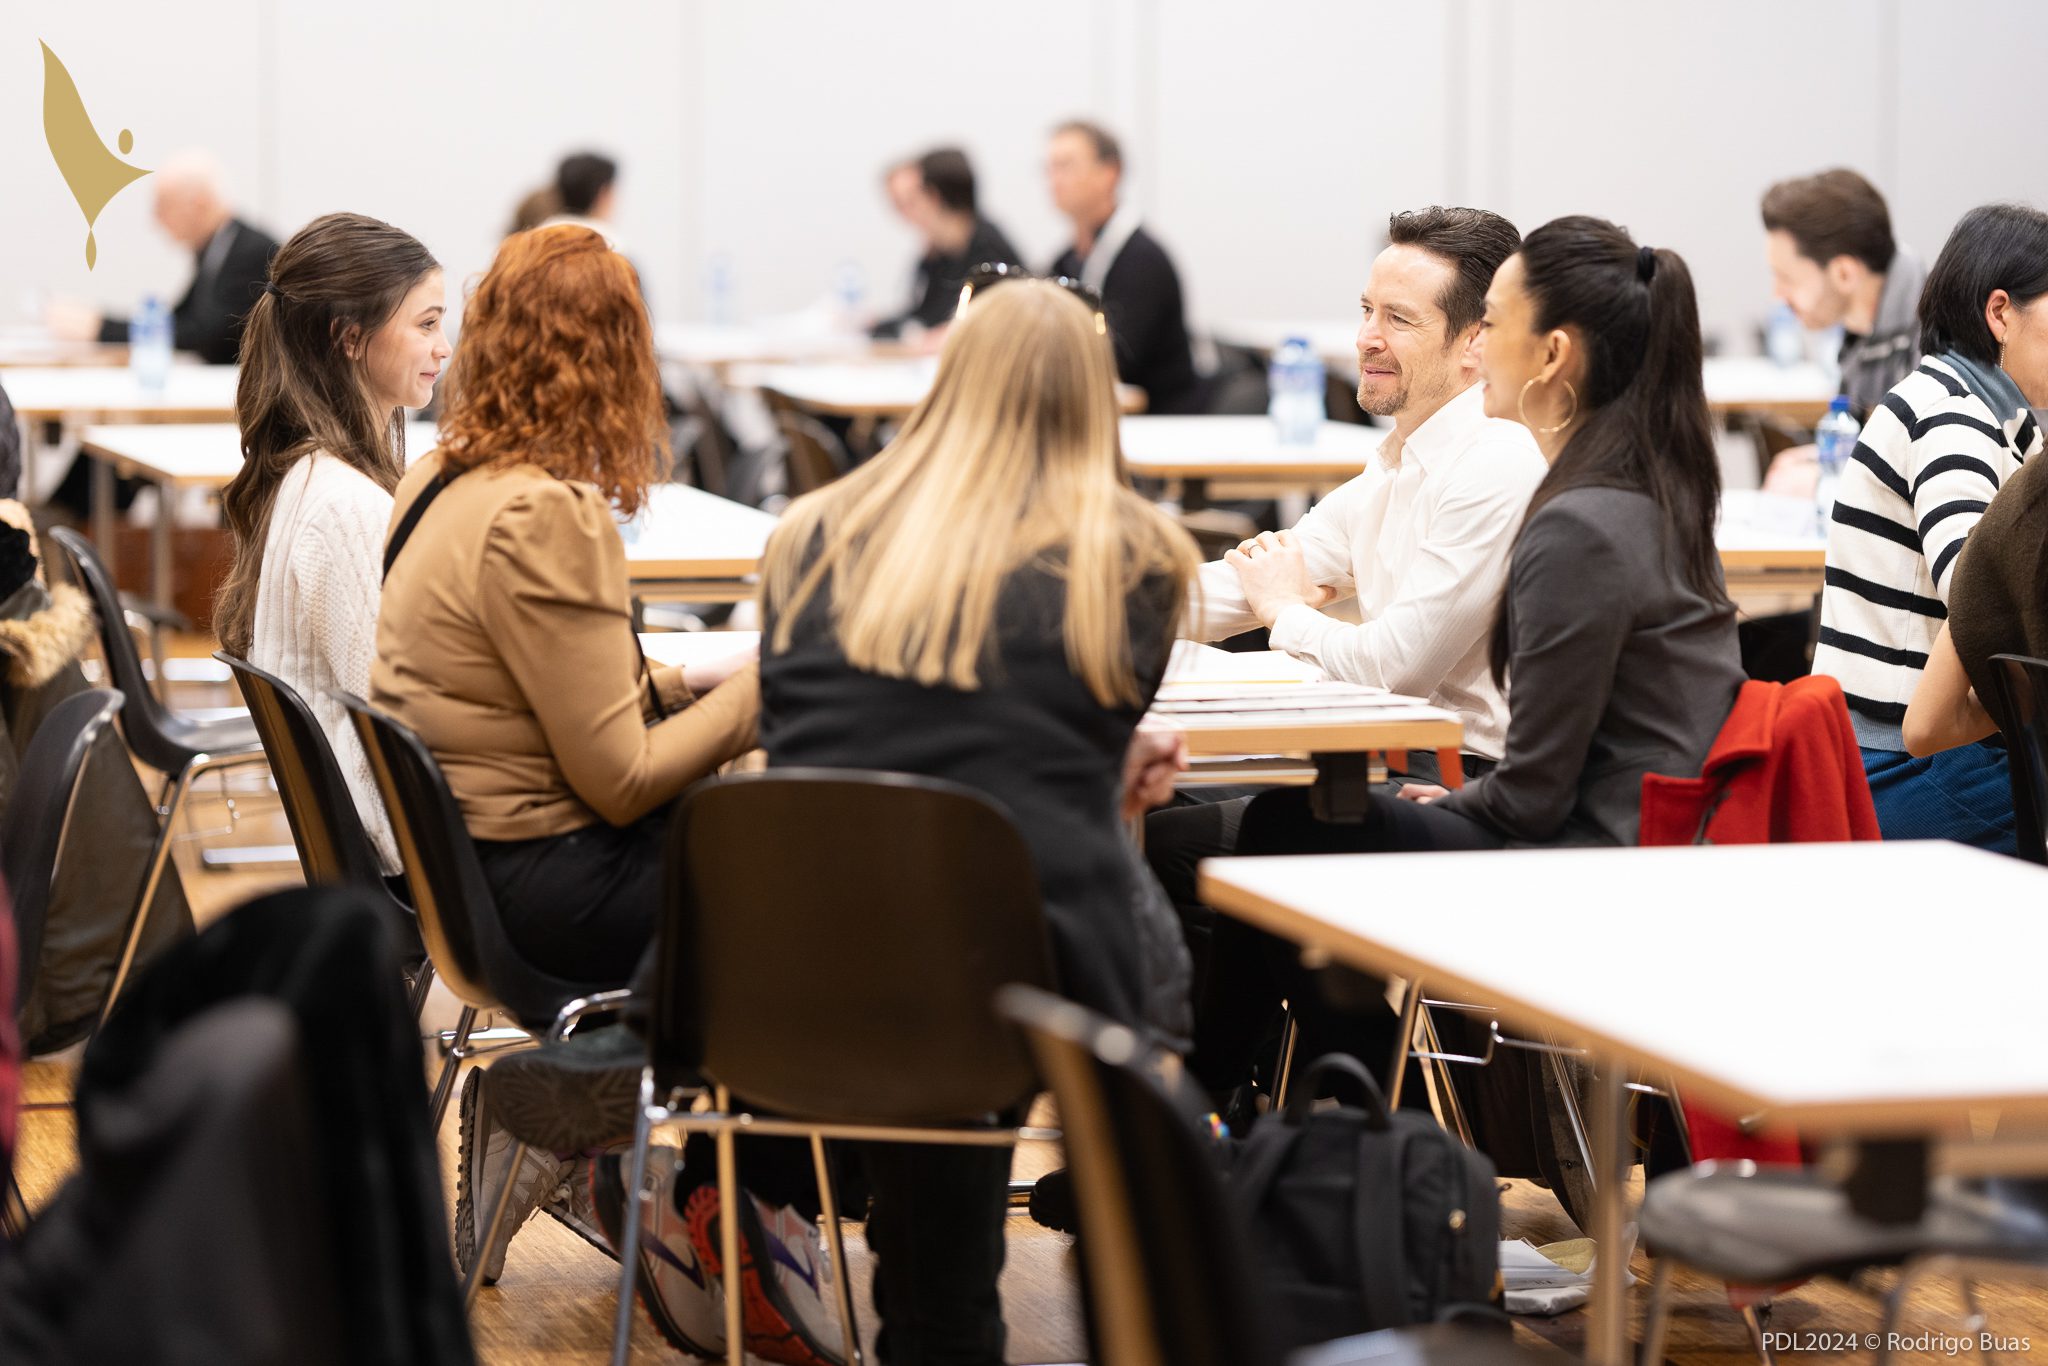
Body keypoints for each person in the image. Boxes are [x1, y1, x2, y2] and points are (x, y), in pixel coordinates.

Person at [1191, 216, 1745, 1097]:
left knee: (1278, 832)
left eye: (1495, 321)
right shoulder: (1620, 487)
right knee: (1279, 827)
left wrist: (1466, 795)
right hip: (1614, 827)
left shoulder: (1574, 519)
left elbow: (1533, 787)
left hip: (1595, 860)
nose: (1483, 343)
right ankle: (1291, 1130)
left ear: (1549, 352)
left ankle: (1312, 1130)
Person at [754, 275, 1199, 1364]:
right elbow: (1059, 735)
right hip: (1020, 959)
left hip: (797, 952)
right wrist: (1097, 773)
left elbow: (825, 729)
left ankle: (928, 1307)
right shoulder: (1135, 560)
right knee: (1119, 932)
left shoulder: (808, 535)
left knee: (934, 951)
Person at [369, 225, 763, 1292]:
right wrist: (779, 685)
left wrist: (687, 681)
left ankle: (618, 1124)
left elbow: (535, 695)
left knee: (760, 855)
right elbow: (622, 778)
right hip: (552, 889)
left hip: (473, 880)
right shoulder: (547, 514)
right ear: (615, 363)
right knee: (799, 892)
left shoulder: (440, 479)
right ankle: (719, 1208)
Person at [1146, 207, 1543, 967]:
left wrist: (1286, 612)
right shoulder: (1400, 456)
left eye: (1398, 319)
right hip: (1388, 760)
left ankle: (1227, 1072)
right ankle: (1261, 1065)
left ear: (1476, 343)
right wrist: (1090, 608)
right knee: (1144, 800)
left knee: (1164, 840)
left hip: (1464, 782)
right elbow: (1253, 580)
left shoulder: (1496, 462)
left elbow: (1396, 667)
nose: (1365, 339)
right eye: (1366, 311)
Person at [215, 212, 448, 881]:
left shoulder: (309, 474)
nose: (445, 348)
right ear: (350, 338)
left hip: (373, 831)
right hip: (405, 845)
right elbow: (398, 717)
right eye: (426, 324)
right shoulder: (346, 507)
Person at [1835, 203, 2048, 843]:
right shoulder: (1951, 417)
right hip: (1906, 767)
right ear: (2001, 312)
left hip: (1925, 748)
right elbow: (1981, 598)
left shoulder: (1991, 412)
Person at [46, 149, 281, 365]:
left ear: (198, 205)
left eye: (163, 206)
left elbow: (203, 334)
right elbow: (180, 319)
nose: (156, 219)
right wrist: (101, 324)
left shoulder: (248, 252)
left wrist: (100, 328)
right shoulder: (220, 245)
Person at [1045, 120, 1204, 413]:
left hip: (1159, 424)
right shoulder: (1064, 260)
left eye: (1066, 166)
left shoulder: (1142, 260)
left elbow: (1115, 361)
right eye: (1050, 168)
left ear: (1110, 173)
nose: (1054, 179)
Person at [1762, 169, 1929, 421]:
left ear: (1844, 274)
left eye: (1787, 279)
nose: (1777, 295)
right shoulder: (1862, 339)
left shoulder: (1937, 344)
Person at [870, 147, 1022, 341]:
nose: (906, 213)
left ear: (933, 196)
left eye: (912, 199)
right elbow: (926, 315)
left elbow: (985, 326)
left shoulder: (987, 251)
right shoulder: (940, 253)